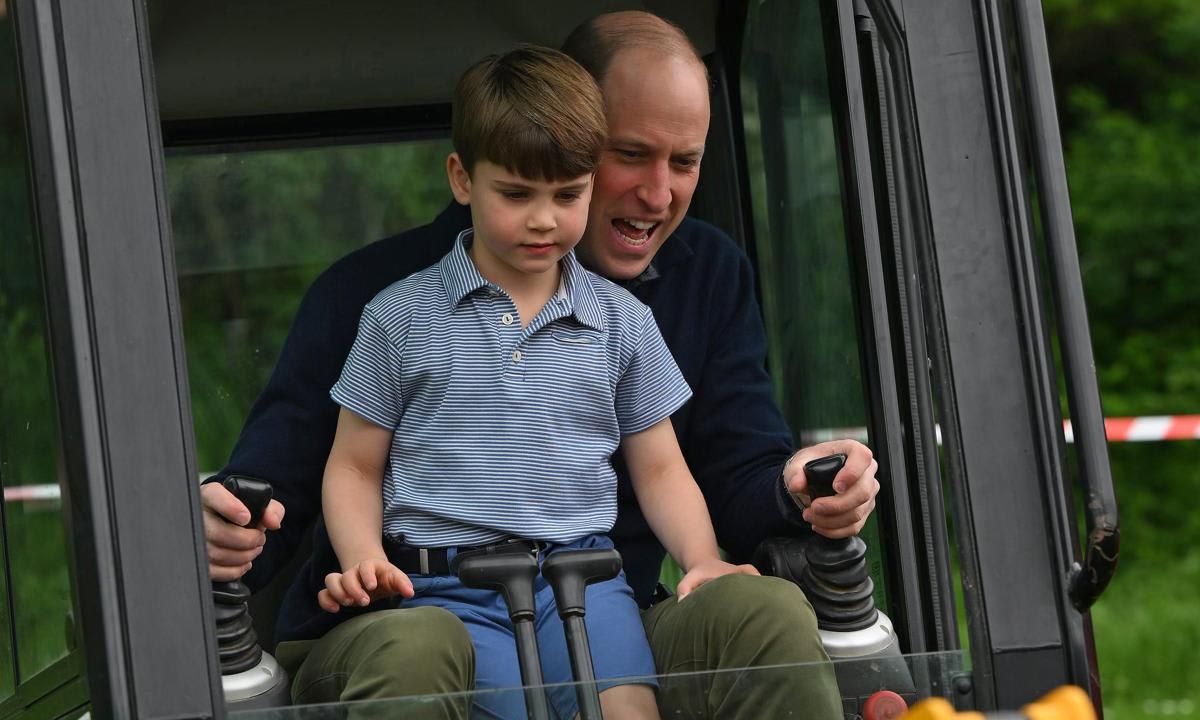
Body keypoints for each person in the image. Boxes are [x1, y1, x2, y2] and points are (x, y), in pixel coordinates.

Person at [202, 10, 880, 720]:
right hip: (411, 609)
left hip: (595, 596)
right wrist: (230, 528)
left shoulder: (689, 285)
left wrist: (796, 492)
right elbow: (293, 483)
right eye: (632, 154)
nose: (658, 194)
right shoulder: (380, 302)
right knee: (422, 650)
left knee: (760, 610)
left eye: (684, 162)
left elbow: (696, 470)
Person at [318, 44, 757, 720]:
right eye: (517, 195)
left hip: (585, 579)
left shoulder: (622, 321)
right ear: (462, 180)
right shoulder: (398, 316)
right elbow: (352, 464)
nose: (545, 219)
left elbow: (662, 467)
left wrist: (702, 558)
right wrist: (364, 559)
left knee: (628, 711)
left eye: (568, 195)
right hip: (447, 588)